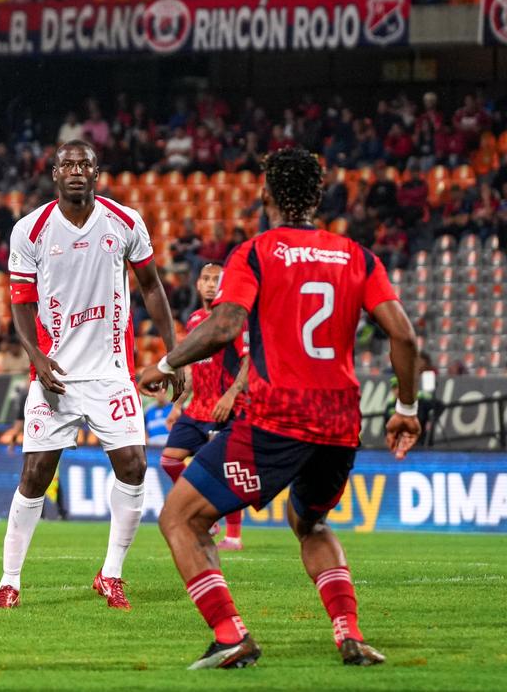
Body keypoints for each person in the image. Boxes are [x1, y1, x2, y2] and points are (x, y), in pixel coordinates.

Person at [139, 147, 420, 669]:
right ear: (318, 196)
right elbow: (403, 335)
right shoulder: (357, 256)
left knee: (179, 518)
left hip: (278, 418)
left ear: (266, 194)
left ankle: (231, 635)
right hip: (339, 423)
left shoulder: (256, 252)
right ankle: (349, 634)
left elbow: (225, 324)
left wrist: (166, 363)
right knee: (309, 522)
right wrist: (405, 406)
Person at [0, 139, 182, 612]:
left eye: (85, 164)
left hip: (111, 372)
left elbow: (151, 286)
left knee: (134, 466)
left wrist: (174, 352)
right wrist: (36, 356)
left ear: (97, 173)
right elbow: (20, 303)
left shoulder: (125, 221)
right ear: (54, 173)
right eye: (68, 164)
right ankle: (9, 581)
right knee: (35, 475)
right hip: (55, 373)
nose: (76, 170)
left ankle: (111, 574)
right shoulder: (29, 230)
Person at [160, 263, 247, 551]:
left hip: (225, 407)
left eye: (216, 280)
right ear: (198, 285)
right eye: (206, 279)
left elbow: (249, 360)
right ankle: (209, 521)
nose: (210, 284)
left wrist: (232, 394)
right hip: (197, 408)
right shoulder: (195, 319)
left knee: (227, 468)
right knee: (169, 460)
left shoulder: (234, 318)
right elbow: (193, 367)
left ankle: (233, 536)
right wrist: (178, 405)